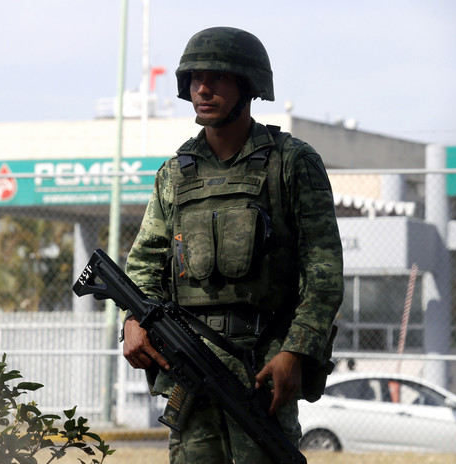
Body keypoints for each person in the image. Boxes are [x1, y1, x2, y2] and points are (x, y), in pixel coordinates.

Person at [121, 26, 344, 464]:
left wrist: (294, 351)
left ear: (249, 85)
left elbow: (323, 272)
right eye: (195, 78)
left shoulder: (292, 162)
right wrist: (134, 320)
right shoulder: (175, 174)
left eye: (218, 78)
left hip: (261, 370)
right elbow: (145, 263)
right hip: (188, 364)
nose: (202, 88)